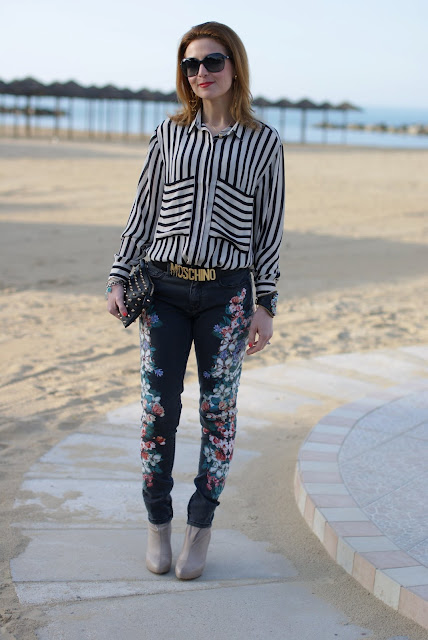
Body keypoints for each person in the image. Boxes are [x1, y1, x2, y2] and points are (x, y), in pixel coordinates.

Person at [106, 21, 285, 580]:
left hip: (226, 296)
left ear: (234, 66)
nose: (200, 73)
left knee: (218, 414)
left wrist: (266, 302)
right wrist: (119, 275)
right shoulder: (169, 134)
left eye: (211, 61)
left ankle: (200, 529)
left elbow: (269, 228)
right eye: (190, 64)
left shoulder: (264, 143)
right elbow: (143, 212)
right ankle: (157, 525)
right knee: (158, 411)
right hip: (161, 289)